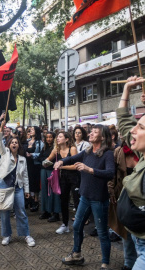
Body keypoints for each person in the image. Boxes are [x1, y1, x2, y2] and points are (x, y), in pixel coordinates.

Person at [54, 124, 115, 270]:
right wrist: (62, 161)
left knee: (102, 233)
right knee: (76, 226)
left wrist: (90, 169)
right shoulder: (87, 151)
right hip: (84, 197)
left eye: (95, 132)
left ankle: (105, 263)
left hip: (99, 199)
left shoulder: (107, 154)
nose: (91, 134)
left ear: (103, 137)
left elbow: (110, 173)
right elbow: (73, 158)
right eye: (91, 131)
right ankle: (77, 255)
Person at [116, 76, 145, 270]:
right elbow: (124, 123)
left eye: (141, 127)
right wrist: (127, 89)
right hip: (136, 237)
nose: (133, 130)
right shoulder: (142, 154)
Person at [0, 120, 35, 247]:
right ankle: (6, 235)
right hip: (4, 187)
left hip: (18, 189)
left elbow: (25, 176)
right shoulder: (4, 154)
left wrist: (26, 191)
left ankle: (26, 235)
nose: (14, 144)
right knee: (4, 212)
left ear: (19, 145)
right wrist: (0, 127)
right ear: (9, 145)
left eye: (16, 142)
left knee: (21, 211)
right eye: (12, 142)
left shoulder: (22, 160)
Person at [108, 140, 138, 270]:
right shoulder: (119, 151)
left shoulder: (141, 153)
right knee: (127, 233)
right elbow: (113, 174)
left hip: (140, 199)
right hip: (124, 196)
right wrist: (111, 191)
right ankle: (129, 263)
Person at [53, 131, 79, 234]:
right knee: (63, 200)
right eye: (57, 137)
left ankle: (78, 228)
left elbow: (76, 166)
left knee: (77, 202)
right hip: (63, 177)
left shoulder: (72, 149)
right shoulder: (57, 150)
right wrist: (46, 162)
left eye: (60, 137)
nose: (57, 138)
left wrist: (61, 166)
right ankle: (65, 224)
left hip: (74, 177)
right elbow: (49, 159)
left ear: (66, 139)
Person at [38, 132, 61, 222]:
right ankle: (46, 211)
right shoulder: (44, 147)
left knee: (53, 191)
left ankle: (55, 212)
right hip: (44, 170)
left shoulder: (56, 148)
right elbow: (39, 158)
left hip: (52, 170)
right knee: (44, 191)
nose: (48, 139)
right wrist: (44, 161)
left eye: (50, 137)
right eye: (47, 137)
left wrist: (46, 160)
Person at [26, 126, 44, 212]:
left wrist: (32, 155)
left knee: (35, 183)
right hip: (27, 164)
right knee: (29, 182)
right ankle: (31, 200)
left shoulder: (40, 143)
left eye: (32, 130)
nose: (31, 131)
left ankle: (36, 201)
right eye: (30, 130)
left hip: (35, 165)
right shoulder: (27, 141)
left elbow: (41, 154)